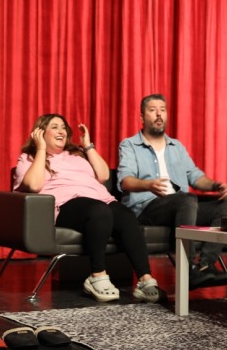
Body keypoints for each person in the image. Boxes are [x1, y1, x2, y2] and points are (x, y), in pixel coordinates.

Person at [12, 113, 161, 303]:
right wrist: (41, 148)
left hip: (99, 199)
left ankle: (145, 279)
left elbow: (103, 175)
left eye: (64, 128)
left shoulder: (77, 156)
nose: (61, 131)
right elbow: (33, 185)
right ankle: (97, 276)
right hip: (65, 203)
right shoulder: (28, 158)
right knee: (99, 211)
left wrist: (88, 146)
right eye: (55, 127)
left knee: (126, 216)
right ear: (40, 133)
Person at [117, 93, 227, 288]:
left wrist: (214, 185)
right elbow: (125, 181)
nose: (159, 114)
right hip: (147, 208)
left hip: (182, 206)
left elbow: (195, 176)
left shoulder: (176, 146)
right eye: (152, 110)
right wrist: (148, 185)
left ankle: (205, 265)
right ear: (142, 117)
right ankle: (188, 270)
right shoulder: (130, 145)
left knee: (224, 208)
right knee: (186, 199)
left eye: (162, 110)